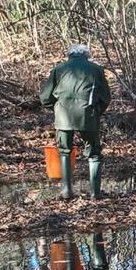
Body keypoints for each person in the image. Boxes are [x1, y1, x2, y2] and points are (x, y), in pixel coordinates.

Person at [40, 44, 111, 200]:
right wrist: (96, 112)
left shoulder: (58, 69)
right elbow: (105, 97)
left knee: (64, 151)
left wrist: (56, 108)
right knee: (94, 154)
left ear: (69, 55)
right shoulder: (97, 70)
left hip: (63, 117)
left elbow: (45, 97)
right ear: (87, 55)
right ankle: (95, 193)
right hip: (88, 115)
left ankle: (66, 191)